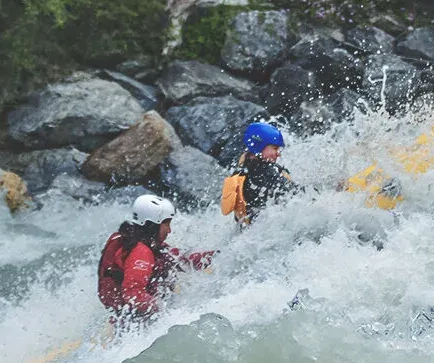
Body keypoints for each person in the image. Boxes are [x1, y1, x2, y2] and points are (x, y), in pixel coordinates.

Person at [98, 194, 214, 323]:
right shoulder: (141, 252)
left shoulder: (141, 241)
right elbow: (133, 294)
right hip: (136, 322)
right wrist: (164, 310)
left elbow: (182, 259)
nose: (169, 230)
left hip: (129, 317)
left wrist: (217, 255)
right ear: (153, 224)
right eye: (166, 224)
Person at [221, 122, 297, 226]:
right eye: (275, 148)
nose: (278, 153)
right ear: (259, 146)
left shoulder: (241, 169)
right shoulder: (268, 173)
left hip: (250, 230)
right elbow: (294, 194)